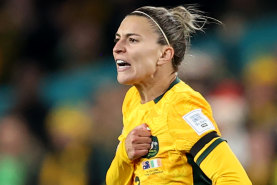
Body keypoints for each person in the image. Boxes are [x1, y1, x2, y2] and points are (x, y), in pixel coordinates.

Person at [106, 5, 252, 185]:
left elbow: (234, 179)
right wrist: (124, 154)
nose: (117, 48)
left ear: (164, 54)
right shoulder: (133, 100)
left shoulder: (181, 105)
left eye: (133, 40)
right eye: (117, 39)